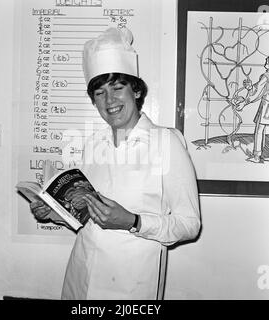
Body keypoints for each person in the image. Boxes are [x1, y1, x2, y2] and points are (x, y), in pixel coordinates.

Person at [30, 27, 201, 300]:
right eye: (99, 93)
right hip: (81, 275)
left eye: (117, 88)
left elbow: (189, 224)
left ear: (135, 90)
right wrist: (52, 211)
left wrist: (132, 221)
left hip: (130, 284)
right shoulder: (92, 144)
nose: (109, 100)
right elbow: (85, 214)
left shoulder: (166, 143)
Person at [238, 56, 269, 163]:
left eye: (267, 63)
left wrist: (244, 102)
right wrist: (251, 88)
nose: (265, 65)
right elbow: (257, 88)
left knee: (259, 130)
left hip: (266, 106)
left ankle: (257, 156)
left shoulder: (266, 76)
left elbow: (257, 91)